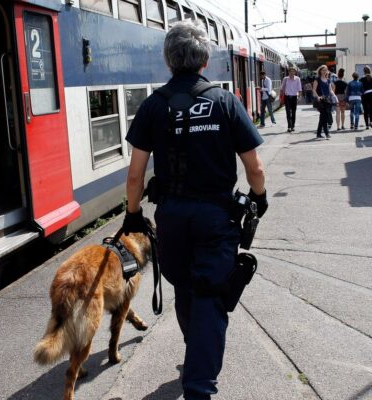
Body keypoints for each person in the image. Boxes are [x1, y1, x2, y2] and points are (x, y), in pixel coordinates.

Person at [122, 21, 268, 400]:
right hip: (217, 218)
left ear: (169, 61)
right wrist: (259, 196)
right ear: (204, 60)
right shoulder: (225, 102)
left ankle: (196, 358)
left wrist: (133, 214)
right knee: (209, 294)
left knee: (186, 287)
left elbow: (135, 173)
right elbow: (255, 167)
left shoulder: (153, 105)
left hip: (172, 218)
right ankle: (200, 386)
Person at [312, 65, 333, 139]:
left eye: (326, 70)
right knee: (324, 116)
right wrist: (318, 97)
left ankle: (318, 134)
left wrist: (334, 96)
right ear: (320, 71)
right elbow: (314, 89)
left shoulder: (328, 80)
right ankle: (327, 133)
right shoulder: (317, 79)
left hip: (327, 100)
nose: (325, 71)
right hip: (320, 100)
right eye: (323, 70)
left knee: (322, 117)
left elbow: (330, 90)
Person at [280, 68, 302, 132]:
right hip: (287, 97)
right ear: (288, 72)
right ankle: (289, 126)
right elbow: (282, 88)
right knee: (288, 112)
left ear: (295, 73)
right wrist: (281, 96)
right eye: (290, 72)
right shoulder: (285, 79)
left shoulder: (297, 79)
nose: (292, 73)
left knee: (293, 112)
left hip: (294, 97)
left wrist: (300, 97)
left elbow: (300, 89)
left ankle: (293, 126)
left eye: (293, 72)